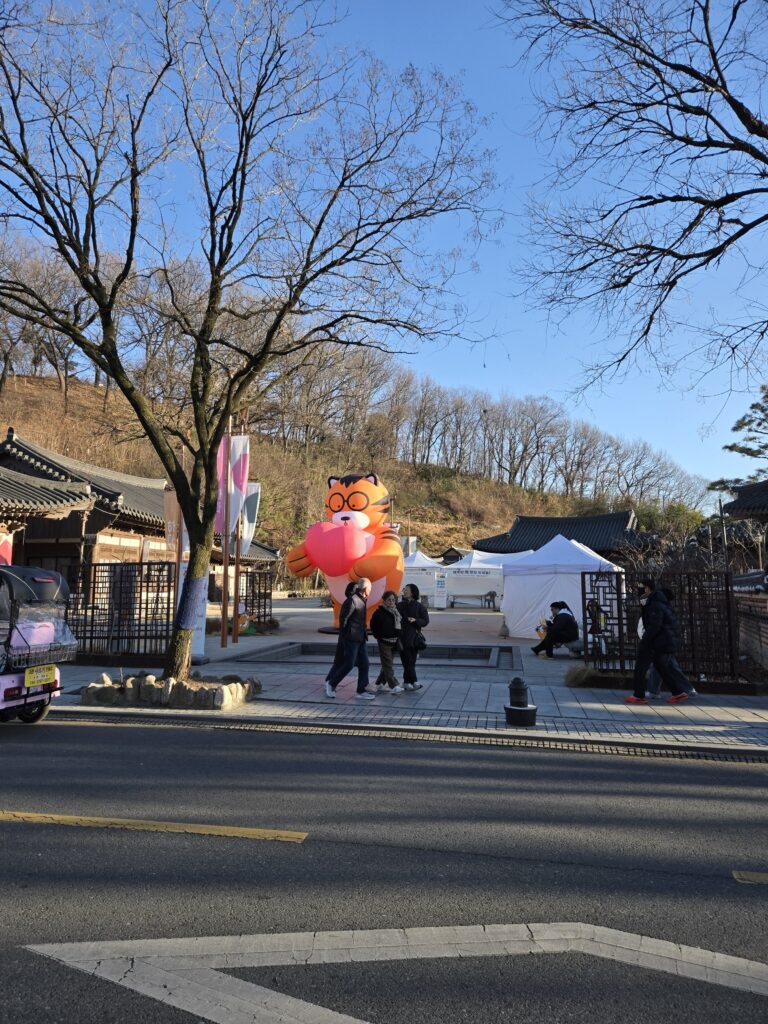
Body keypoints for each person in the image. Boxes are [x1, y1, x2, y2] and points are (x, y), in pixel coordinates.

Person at [626, 579, 691, 705]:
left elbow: (655, 625)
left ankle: (639, 695)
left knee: (640, 667)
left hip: (657, 640)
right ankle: (678, 692)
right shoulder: (655, 601)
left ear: (648, 589)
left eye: (641, 587)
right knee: (661, 667)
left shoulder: (654, 604)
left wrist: (645, 640)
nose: (638, 590)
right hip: (662, 640)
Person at [324, 578, 376, 700]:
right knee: (349, 664)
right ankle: (331, 683)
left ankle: (361, 690)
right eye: (370, 588)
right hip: (351, 639)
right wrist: (346, 638)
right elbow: (343, 621)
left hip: (361, 638)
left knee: (365, 664)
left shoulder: (362, 600)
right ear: (365, 588)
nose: (371, 590)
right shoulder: (352, 601)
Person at [644, 587, 698, 699]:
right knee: (671, 666)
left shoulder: (657, 606)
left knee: (659, 665)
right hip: (669, 640)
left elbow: (655, 625)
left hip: (663, 641)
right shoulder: (666, 607)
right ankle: (688, 689)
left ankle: (654, 691)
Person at [370, 590, 404, 693]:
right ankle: (394, 685)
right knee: (388, 665)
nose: (391, 602)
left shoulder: (396, 612)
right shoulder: (379, 612)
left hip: (394, 642)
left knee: (387, 664)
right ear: (384, 601)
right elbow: (373, 626)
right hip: (384, 642)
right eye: (389, 600)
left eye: (393, 600)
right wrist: (378, 636)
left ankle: (379, 683)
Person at [397, 583, 429, 691]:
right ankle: (414, 681)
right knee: (408, 661)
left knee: (410, 662)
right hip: (402, 637)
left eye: (406, 590)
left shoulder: (420, 606)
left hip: (414, 639)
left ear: (412, 593)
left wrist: (416, 621)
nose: (404, 591)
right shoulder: (399, 605)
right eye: (404, 589)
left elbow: (425, 621)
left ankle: (406, 682)